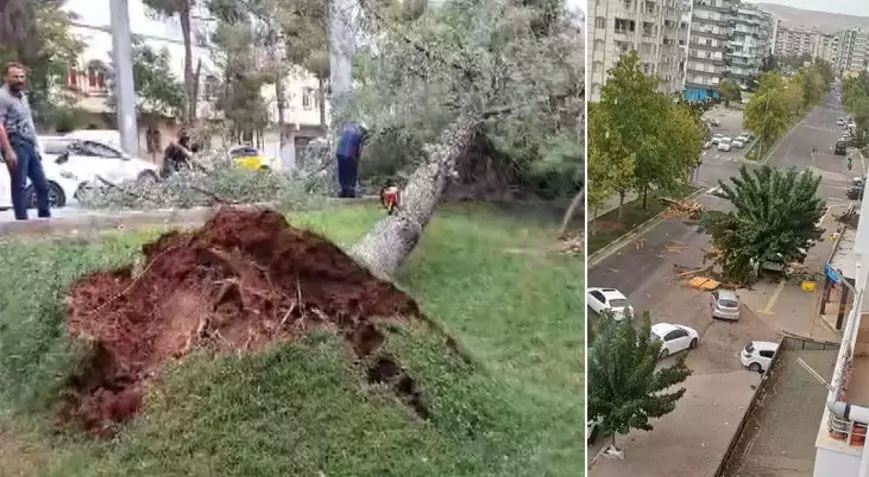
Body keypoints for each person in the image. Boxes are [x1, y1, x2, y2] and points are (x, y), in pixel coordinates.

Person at [0, 62, 50, 220]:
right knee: (19, 185)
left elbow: (29, 122)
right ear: (5, 77)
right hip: (15, 143)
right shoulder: (2, 97)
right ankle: (21, 223)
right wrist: (8, 150)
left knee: (42, 185)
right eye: (15, 77)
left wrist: (36, 146)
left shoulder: (22, 96)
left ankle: (45, 220)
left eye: (22, 76)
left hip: (29, 144)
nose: (19, 80)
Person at [336, 121, 368, 198]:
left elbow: (341, 143)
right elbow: (358, 150)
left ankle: (343, 191)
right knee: (351, 173)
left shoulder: (347, 130)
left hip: (340, 154)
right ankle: (350, 191)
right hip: (349, 155)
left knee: (342, 173)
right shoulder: (358, 134)